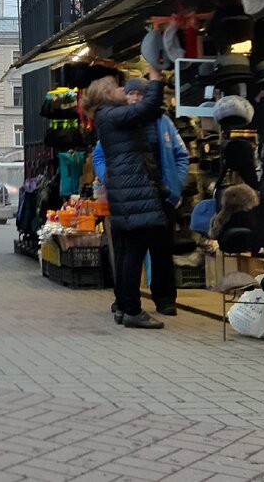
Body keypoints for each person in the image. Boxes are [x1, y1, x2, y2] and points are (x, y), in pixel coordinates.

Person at [84, 67, 175, 330]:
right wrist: (156, 79)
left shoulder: (107, 116)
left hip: (125, 191)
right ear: (107, 95)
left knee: (126, 252)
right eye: (118, 87)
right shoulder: (112, 115)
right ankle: (133, 310)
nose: (123, 90)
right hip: (133, 190)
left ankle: (124, 307)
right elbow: (146, 109)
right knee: (133, 252)